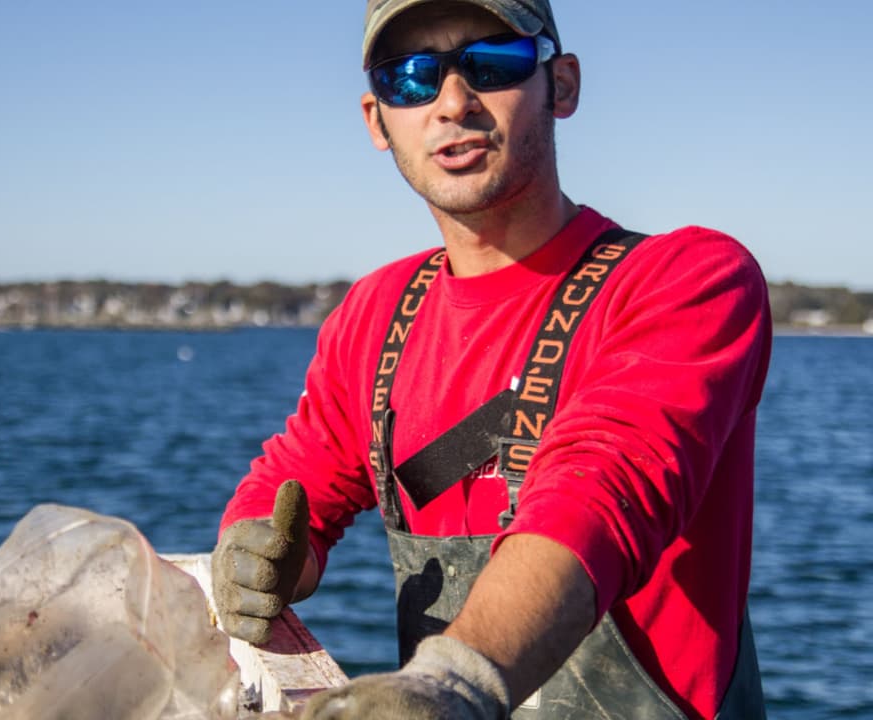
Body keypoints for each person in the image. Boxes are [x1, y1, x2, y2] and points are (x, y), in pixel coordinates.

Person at [210, 1, 771, 718]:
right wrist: (257, 553)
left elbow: (601, 489)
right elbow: (297, 479)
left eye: (491, 64)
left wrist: (453, 682)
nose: (451, 102)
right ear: (377, 119)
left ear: (561, 85)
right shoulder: (374, 313)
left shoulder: (688, 280)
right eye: (409, 76)